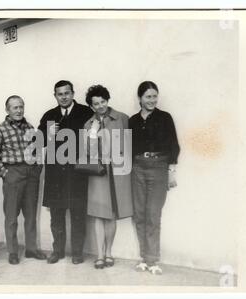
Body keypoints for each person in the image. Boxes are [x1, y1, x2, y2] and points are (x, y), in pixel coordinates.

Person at [38, 80, 94, 264]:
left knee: (78, 215)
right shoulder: (49, 115)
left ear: (73, 93)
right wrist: (47, 133)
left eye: (67, 93)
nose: (64, 97)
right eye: (60, 94)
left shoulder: (86, 112)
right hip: (55, 175)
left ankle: (77, 253)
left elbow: (95, 138)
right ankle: (58, 251)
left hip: (78, 174)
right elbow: (37, 143)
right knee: (56, 216)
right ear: (55, 95)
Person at [129, 81, 180, 275]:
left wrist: (171, 172)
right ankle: (144, 258)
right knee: (139, 215)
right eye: (148, 96)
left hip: (159, 168)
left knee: (153, 214)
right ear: (140, 98)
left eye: (154, 96)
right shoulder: (133, 121)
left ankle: (153, 260)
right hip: (137, 168)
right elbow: (127, 147)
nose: (152, 100)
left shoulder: (165, 118)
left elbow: (174, 145)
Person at [0, 95, 46, 265]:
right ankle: (12, 252)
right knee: (12, 216)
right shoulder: (1, 130)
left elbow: (37, 151)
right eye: (15, 107)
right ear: (7, 110)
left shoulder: (30, 127)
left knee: (31, 215)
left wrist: (37, 169)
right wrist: (5, 173)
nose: (19, 110)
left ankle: (31, 249)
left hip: (31, 174)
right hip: (13, 173)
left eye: (21, 106)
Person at [83, 85, 134, 269]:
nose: (100, 106)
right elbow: (87, 151)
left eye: (103, 101)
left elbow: (130, 146)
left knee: (111, 214)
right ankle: (99, 254)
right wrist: (93, 132)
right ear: (91, 106)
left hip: (118, 174)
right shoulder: (89, 124)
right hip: (98, 173)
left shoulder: (122, 118)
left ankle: (109, 252)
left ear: (107, 100)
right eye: (95, 104)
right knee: (98, 214)